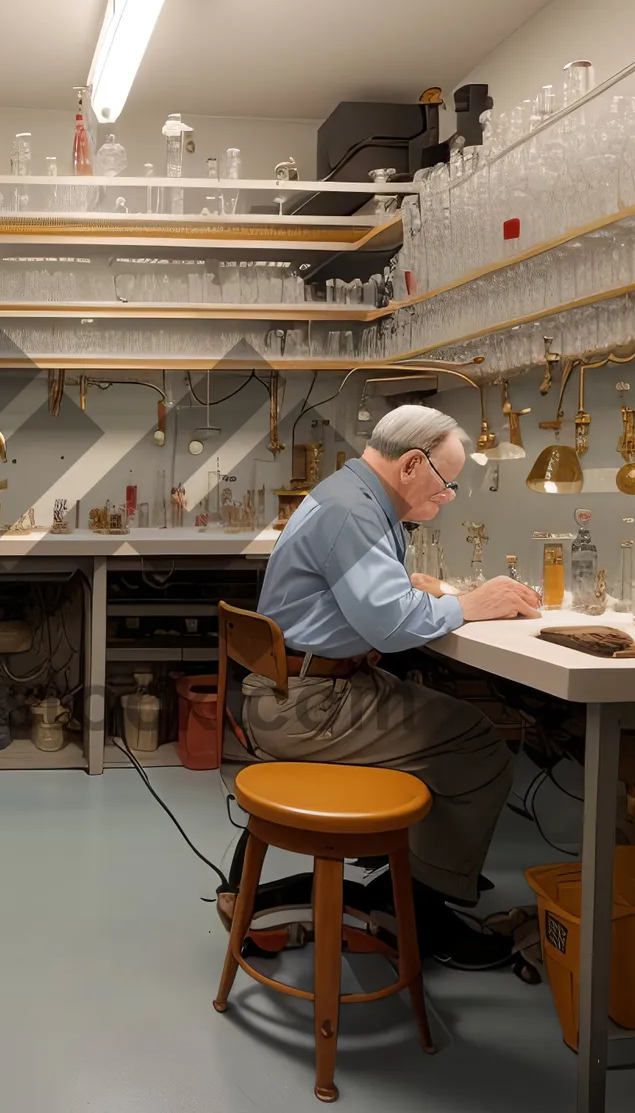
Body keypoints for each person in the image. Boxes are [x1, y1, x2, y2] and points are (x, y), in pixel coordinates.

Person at [242, 405, 540, 968]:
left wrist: (403, 582)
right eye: (446, 483)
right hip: (309, 706)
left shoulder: (345, 492)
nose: (447, 496)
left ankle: (410, 879)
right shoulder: (356, 513)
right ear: (411, 465)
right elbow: (391, 626)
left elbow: (347, 592)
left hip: (292, 687)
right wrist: (469, 604)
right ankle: (417, 909)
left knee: (445, 723)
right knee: (478, 746)